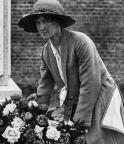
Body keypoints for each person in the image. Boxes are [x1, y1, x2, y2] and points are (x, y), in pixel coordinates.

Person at [18, 0, 124, 143]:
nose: (42, 27)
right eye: (38, 23)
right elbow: (45, 85)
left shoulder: (80, 41)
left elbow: (91, 82)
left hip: (99, 93)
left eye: (46, 21)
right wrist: (36, 115)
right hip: (74, 96)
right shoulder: (46, 51)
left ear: (58, 21)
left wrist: (80, 120)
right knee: (73, 136)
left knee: (97, 137)